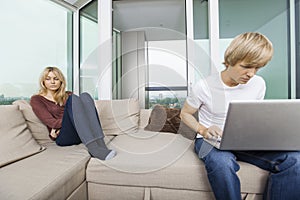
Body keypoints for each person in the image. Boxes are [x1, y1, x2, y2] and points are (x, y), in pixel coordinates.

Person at [180, 32, 300, 199]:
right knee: (222, 164)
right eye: (246, 66)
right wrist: (204, 129)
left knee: (296, 159)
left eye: (257, 68)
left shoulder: (258, 84)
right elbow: (185, 114)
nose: (251, 74)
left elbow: (254, 116)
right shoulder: (204, 86)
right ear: (230, 60)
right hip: (209, 141)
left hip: (245, 140)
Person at [30, 66, 116, 160]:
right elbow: (52, 122)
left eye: (56, 79)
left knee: (85, 96)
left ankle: (101, 144)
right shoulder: (37, 99)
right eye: (48, 79)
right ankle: (94, 149)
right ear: (43, 82)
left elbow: (85, 114)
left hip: (81, 133)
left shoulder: (68, 95)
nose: (52, 82)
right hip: (63, 137)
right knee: (73, 99)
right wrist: (69, 121)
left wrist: (78, 119)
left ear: (61, 81)